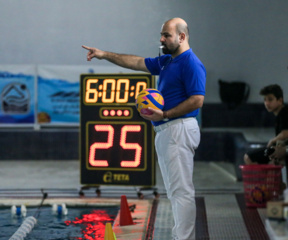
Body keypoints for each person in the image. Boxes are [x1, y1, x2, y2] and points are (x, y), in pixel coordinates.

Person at [82, 18, 206, 240]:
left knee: (181, 192)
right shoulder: (168, 61)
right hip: (168, 131)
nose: (161, 39)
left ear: (182, 37)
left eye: (166, 35)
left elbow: (197, 100)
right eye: (161, 34)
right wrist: (103, 54)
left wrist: (165, 114)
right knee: (175, 192)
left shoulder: (191, 63)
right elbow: (136, 62)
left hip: (178, 128)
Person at [244, 84, 288, 165]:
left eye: (270, 99)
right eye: (265, 100)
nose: (267, 103)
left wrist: (272, 141)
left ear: (280, 100)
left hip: (286, 149)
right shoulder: (281, 114)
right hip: (282, 148)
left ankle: (259, 177)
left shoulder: (285, 113)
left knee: (248, 157)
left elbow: (286, 134)